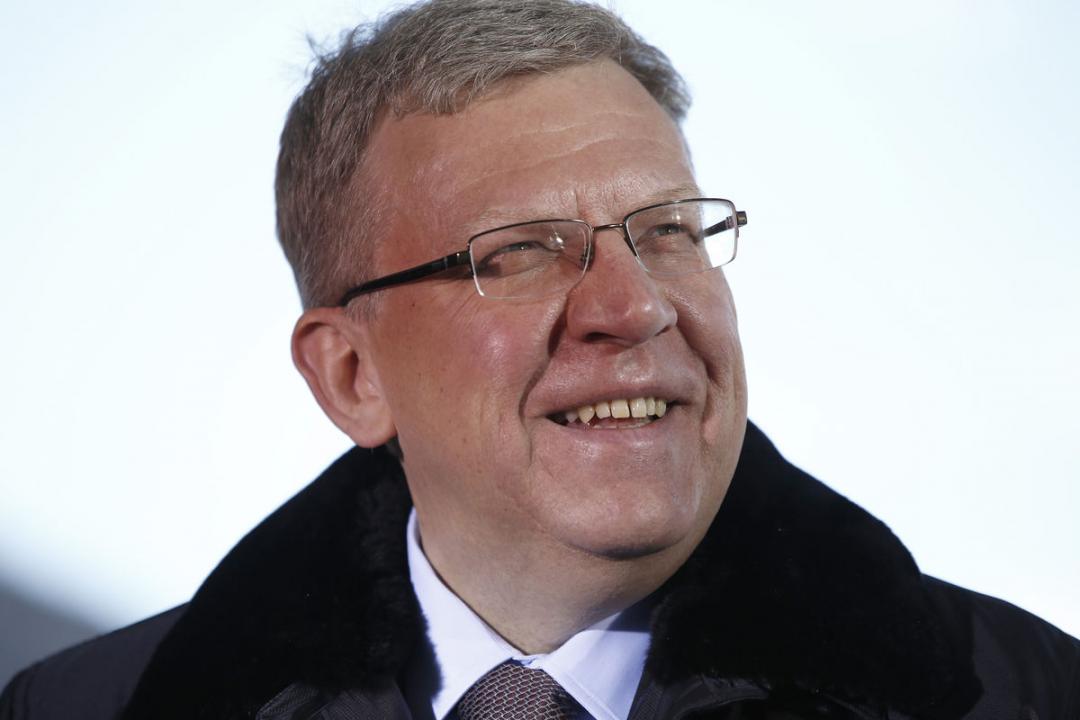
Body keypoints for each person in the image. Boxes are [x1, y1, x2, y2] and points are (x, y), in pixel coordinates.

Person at [2, 1, 1077, 718]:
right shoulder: (74, 709)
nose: (635, 306)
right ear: (351, 377)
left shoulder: (1026, 696)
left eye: (669, 231)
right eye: (519, 252)